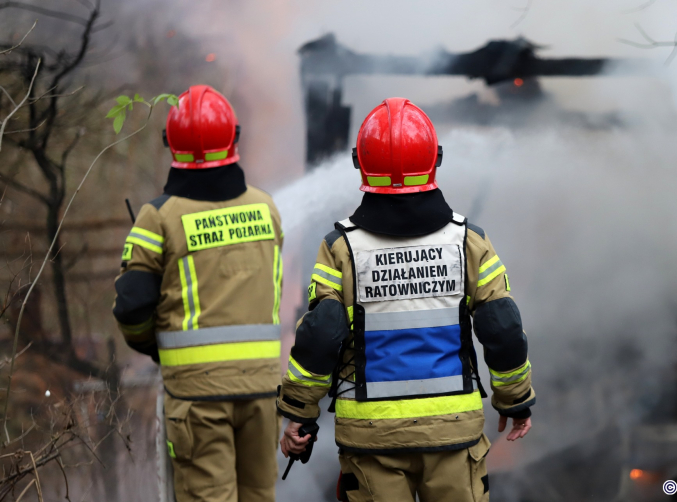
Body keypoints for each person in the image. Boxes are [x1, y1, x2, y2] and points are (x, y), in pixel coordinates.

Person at [276, 97, 534, 502]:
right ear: (435, 161)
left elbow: (321, 334)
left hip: (371, 438)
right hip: (453, 430)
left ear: (360, 164)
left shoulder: (340, 248)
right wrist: (514, 400)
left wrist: (299, 413)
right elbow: (502, 326)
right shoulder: (469, 241)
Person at [112, 85, 284, 502]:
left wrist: (156, 347)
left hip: (197, 397)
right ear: (234, 139)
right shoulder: (266, 208)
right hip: (262, 390)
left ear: (171, 144)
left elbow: (132, 307)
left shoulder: (158, 218)